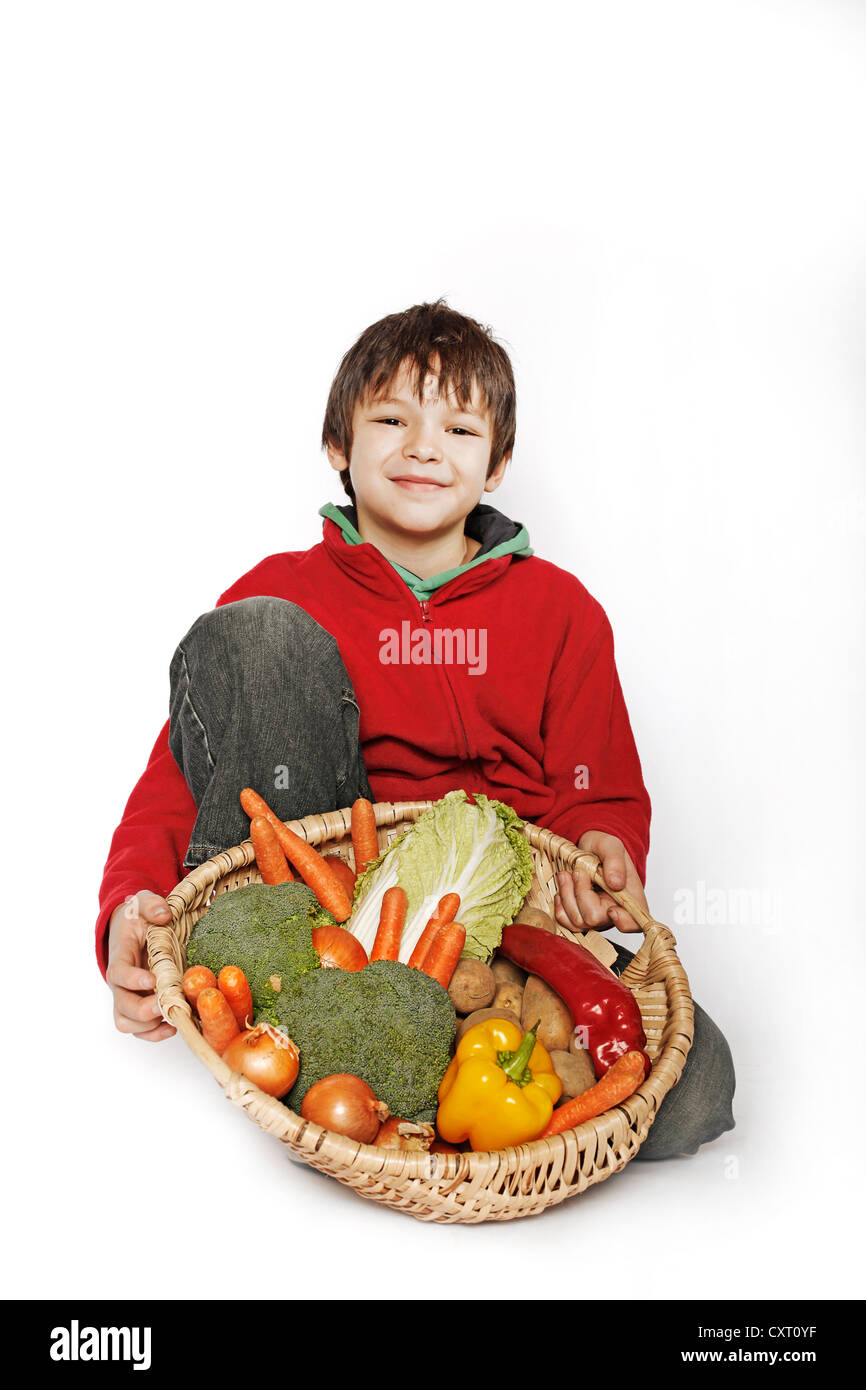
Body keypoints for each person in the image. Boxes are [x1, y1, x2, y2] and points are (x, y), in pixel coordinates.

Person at [97, 297, 735, 1159]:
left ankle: (398, 1097)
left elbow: (604, 789)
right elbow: (184, 772)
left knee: (695, 1095)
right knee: (260, 633)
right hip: (330, 906)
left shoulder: (563, 613)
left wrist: (602, 845)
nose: (423, 446)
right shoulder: (284, 586)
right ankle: (279, 1012)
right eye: (391, 419)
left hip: (503, 926)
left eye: (459, 430)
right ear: (339, 448)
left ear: (499, 462)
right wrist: (126, 912)